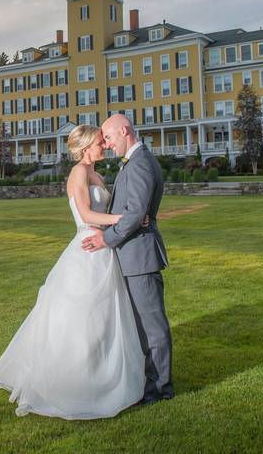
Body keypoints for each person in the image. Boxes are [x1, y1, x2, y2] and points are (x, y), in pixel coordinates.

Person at [0, 124, 145, 419]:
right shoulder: (79, 173)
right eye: (100, 142)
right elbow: (85, 213)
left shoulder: (96, 173)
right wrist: (126, 218)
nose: (105, 145)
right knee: (83, 317)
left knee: (105, 317)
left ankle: (101, 372)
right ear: (86, 148)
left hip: (103, 248)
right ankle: (75, 379)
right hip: (87, 246)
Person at [81, 114, 173, 404]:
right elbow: (134, 213)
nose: (106, 144)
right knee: (141, 326)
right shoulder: (135, 162)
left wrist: (105, 238)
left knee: (152, 328)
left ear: (124, 131)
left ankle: (159, 390)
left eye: (108, 137)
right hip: (132, 254)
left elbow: (135, 214)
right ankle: (146, 383)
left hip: (140, 256)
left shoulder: (141, 163)